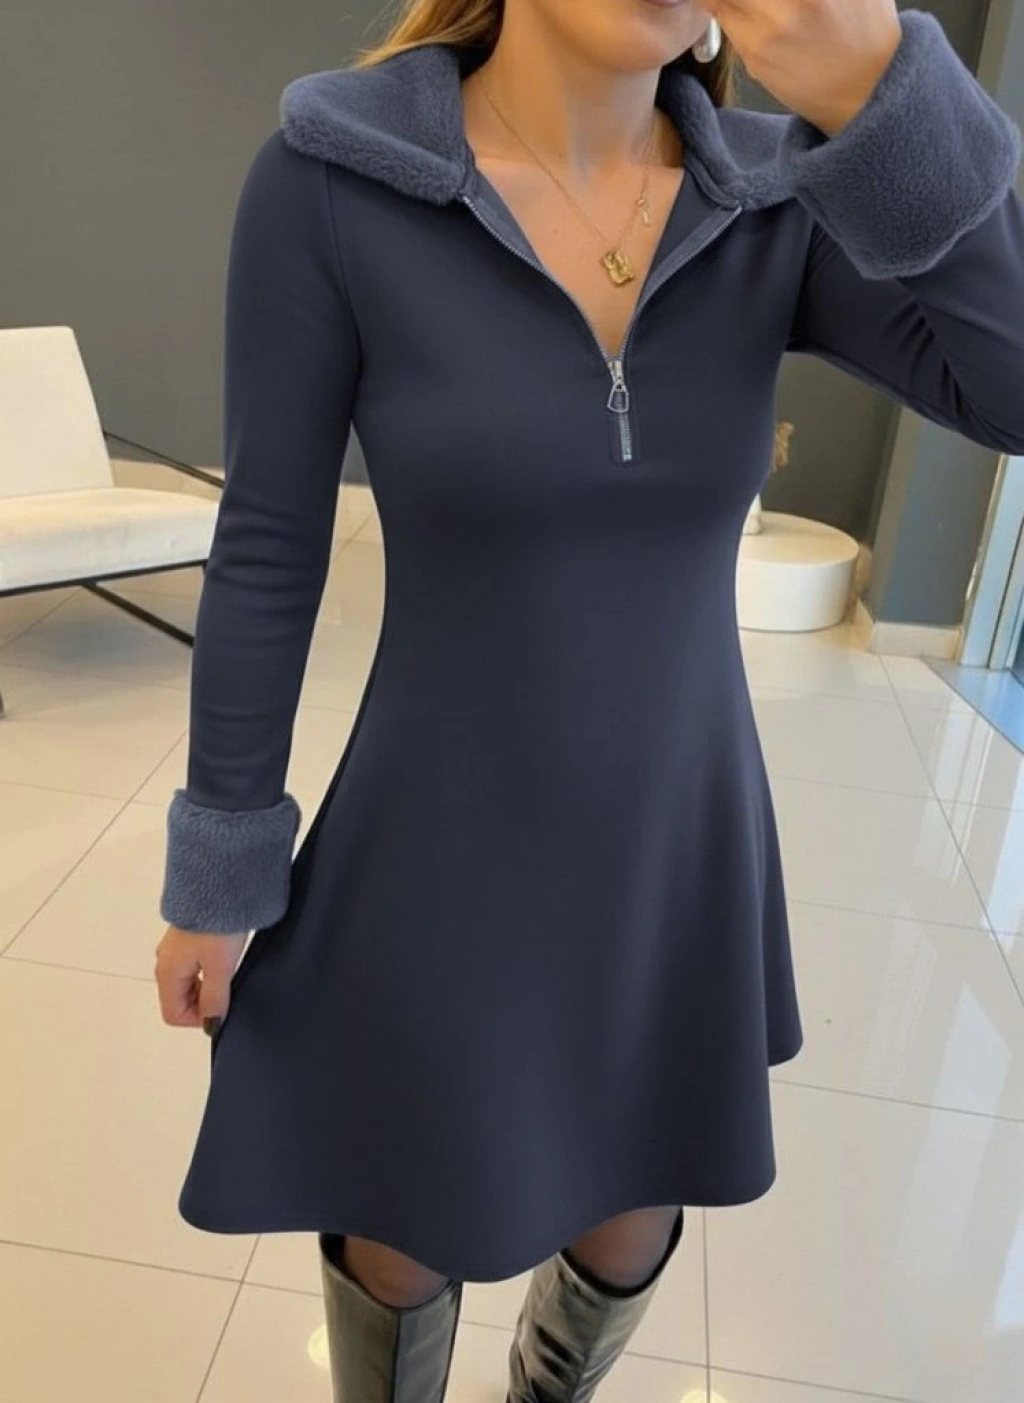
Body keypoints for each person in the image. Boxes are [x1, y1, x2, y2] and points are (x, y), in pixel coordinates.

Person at [153, 2, 1024, 1399]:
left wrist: (889, 102)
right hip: (435, 839)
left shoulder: (773, 200)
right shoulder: (334, 183)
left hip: (674, 841)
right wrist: (221, 863)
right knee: (400, 1218)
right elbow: (268, 540)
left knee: (632, 1210)